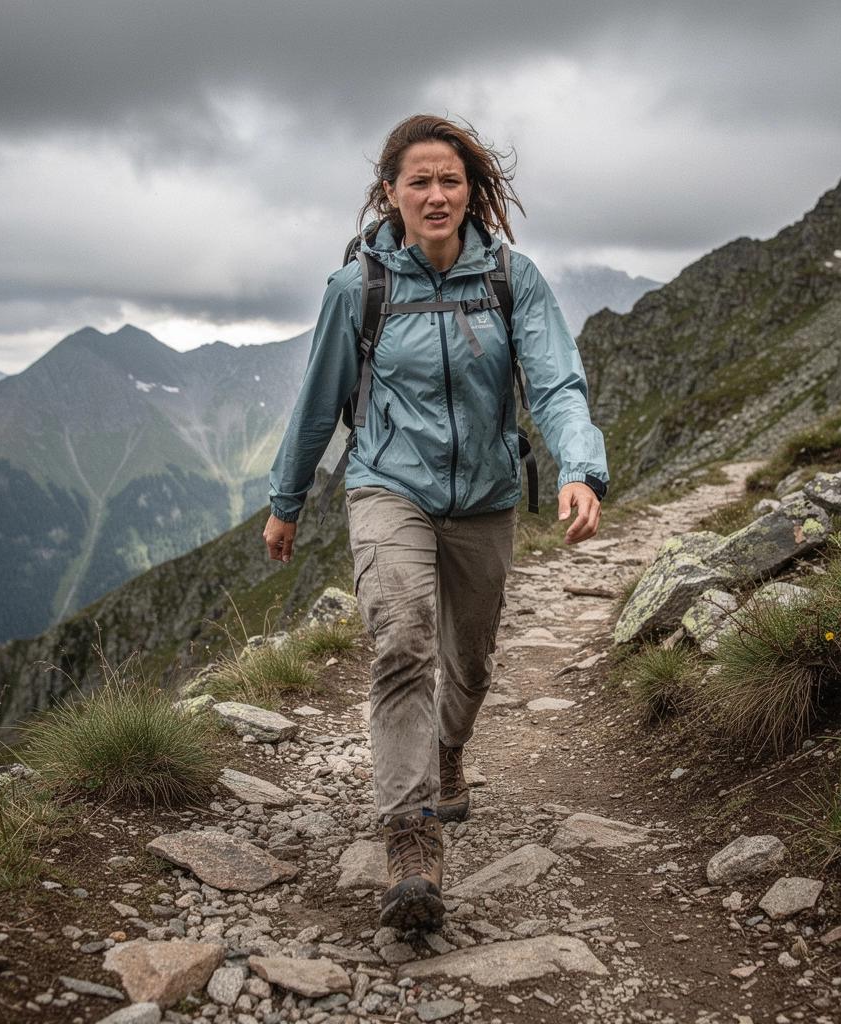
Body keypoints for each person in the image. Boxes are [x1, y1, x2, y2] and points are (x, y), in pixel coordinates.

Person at [264, 114, 608, 931]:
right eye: (418, 180)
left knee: (471, 661)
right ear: (390, 192)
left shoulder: (512, 279)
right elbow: (318, 404)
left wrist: (579, 467)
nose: (435, 194)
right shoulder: (359, 288)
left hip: (485, 497)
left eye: (450, 179)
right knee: (403, 641)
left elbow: (556, 384)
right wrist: (286, 502)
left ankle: (448, 748)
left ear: (471, 190)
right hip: (389, 487)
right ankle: (411, 835)